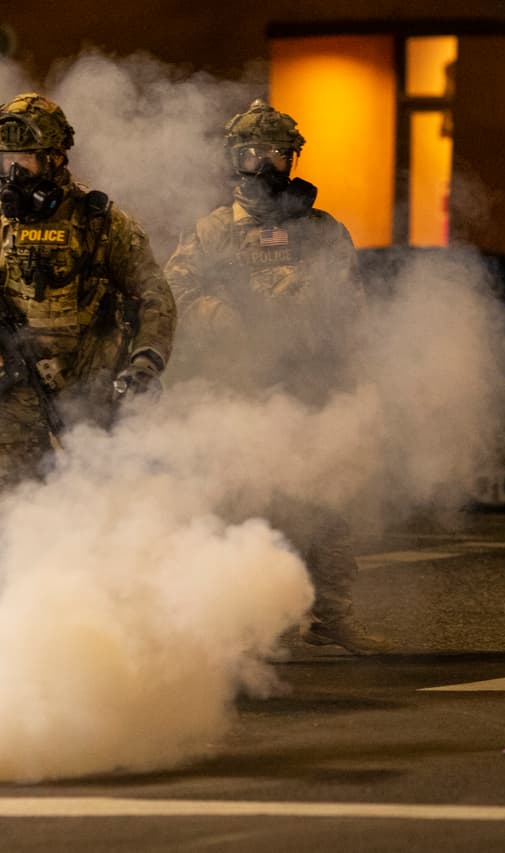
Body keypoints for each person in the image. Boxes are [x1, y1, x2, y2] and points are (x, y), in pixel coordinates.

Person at [164, 99, 388, 655]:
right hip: (241, 391)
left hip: (312, 384)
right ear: (233, 160)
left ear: (291, 160)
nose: (264, 165)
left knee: (328, 504)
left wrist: (313, 319)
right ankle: (249, 627)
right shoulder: (212, 231)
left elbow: (351, 305)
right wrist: (227, 318)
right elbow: (175, 294)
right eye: (251, 154)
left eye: (275, 154)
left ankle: (331, 614)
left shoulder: (321, 230)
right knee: (246, 505)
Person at [0, 93, 176, 507]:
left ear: (54, 158)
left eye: (24, 160)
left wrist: (144, 364)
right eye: (3, 160)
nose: (12, 172)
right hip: (1, 410)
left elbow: (154, 295)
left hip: (85, 398)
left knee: (96, 515)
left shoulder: (100, 222)